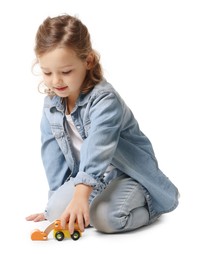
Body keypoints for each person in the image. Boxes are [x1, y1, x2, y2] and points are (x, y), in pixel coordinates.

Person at [26, 14, 179, 234]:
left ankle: (151, 205)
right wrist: (54, 207)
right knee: (58, 212)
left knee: (106, 220)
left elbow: (98, 146)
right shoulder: (52, 104)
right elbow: (53, 156)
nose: (56, 81)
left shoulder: (105, 100)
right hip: (91, 180)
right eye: (47, 72)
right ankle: (90, 200)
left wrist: (80, 195)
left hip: (127, 173)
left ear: (88, 61)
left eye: (66, 72)